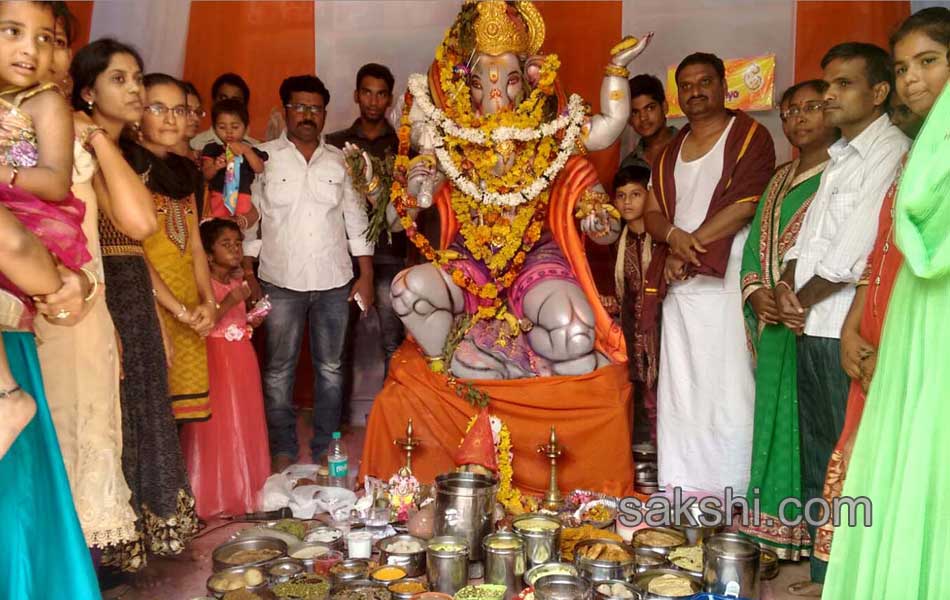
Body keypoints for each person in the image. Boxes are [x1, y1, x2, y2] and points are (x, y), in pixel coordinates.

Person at [818, 6, 949, 588]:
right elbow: (883, 254)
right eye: (902, 68)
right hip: (893, 329)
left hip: (933, 335)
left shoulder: (919, 151)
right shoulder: (924, 149)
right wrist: (854, 326)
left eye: (928, 62)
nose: (911, 80)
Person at [773, 42, 909, 596]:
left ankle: (845, 574)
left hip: (846, 329)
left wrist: (797, 297)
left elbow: (855, 252)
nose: (829, 94)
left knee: (845, 457)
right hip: (812, 323)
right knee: (818, 450)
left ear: (878, 93)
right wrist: (786, 284)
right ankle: (820, 567)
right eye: (827, 84)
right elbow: (805, 239)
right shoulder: (840, 156)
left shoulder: (890, 152)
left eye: (843, 84)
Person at [71, 39, 198, 572]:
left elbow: (136, 242)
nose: (135, 89)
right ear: (86, 91)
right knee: (106, 418)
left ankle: (132, 542)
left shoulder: (119, 151)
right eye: (119, 79)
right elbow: (125, 231)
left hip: (128, 290)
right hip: (94, 294)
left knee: (142, 412)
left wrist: (154, 315)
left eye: (137, 78)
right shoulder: (81, 142)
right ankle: (100, 549)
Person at [641, 52, 775, 495]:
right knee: (683, 388)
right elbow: (653, 211)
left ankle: (734, 490)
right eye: (688, 85)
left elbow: (745, 205)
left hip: (728, 279)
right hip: (682, 285)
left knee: (732, 387)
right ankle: (682, 487)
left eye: (705, 82)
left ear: (724, 86)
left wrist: (687, 244)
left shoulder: (750, 136)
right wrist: (674, 238)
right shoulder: (670, 150)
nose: (696, 91)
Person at [737, 80, 839, 560]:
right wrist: (758, 295)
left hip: (817, 319)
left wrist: (793, 297)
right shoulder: (778, 179)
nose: (798, 119)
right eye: (789, 111)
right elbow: (757, 244)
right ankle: (775, 537)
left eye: (810, 108)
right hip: (775, 322)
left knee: (816, 430)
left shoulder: (840, 174)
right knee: (774, 426)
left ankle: (814, 543)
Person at [252, 75, 374, 472]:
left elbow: (357, 219)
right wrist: (249, 279)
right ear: (285, 110)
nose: (307, 115)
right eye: (299, 107)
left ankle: (326, 445)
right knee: (277, 369)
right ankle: (282, 445)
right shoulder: (263, 158)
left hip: (334, 281)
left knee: (332, 368)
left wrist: (366, 275)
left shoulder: (342, 161)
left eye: (315, 109)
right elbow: (250, 221)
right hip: (278, 279)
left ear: (325, 114)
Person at [131, 73, 216, 423]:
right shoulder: (127, 168)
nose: (170, 119)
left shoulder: (186, 172)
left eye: (179, 110)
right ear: (137, 113)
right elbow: (134, 253)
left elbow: (195, 244)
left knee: (180, 421)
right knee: (147, 419)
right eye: (158, 108)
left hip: (189, 310)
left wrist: (208, 302)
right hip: (148, 304)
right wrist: (178, 311)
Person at [180, 219, 269, 519]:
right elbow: (206, 321)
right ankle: (215, 492)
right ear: (206, 253)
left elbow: (236, 318)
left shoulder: (236, 282)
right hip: (216, 356)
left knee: (244, 418)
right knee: (218, 423)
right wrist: (232, 299)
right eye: (225, 244)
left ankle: (246, 486)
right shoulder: (204, 283)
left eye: (237, 243)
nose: (234, 249)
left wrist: (250, 318)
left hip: (241, 355)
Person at [327, 63, 405, 375]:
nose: (373, 101)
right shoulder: (335, 144)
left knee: (393, 343)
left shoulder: (403, 147)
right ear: (356, 95)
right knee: (337, 347)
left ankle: (392, 419)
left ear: (390, 98)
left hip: (390, 255)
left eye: (381, 94)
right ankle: (336, 423)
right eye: (367, 93)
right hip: (342, 259)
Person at [609, 164, 659, 445]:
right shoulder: (615, 243)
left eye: (635, 194)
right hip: (631, 333)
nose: (627, 202)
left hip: (660, 330)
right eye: (621, 195)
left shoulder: (662, 240)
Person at [200, 98, 267, 227]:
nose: (229, 132)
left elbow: (259, 168)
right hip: (219, 196)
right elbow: (206, 174)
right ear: (214, 128)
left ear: (246, 128)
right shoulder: (212, 149)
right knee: (219, 227)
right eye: (222, 127)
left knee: (237, 229)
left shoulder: (251, 151)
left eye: (235, 127)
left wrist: (246, 151)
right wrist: (215, 166)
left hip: (242, 197)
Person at [620, 74, 678, 170]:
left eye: (650, 108)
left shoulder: (687, 144)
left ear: (664, 107)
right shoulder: (629, 165)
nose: (643, 117)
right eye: (635, 112)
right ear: (629, 119)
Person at [189, 72, 259, 150]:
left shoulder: (256, 147)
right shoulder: (195, 144)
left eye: (235, 101)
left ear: (245, 106)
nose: (228, 104)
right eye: (223, 98)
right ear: (213, 102)